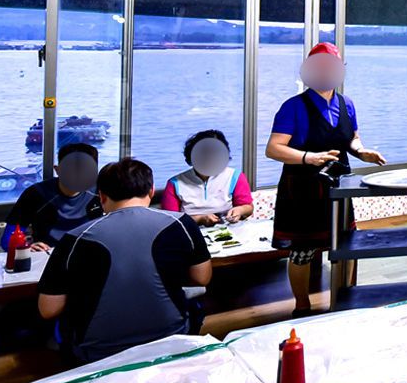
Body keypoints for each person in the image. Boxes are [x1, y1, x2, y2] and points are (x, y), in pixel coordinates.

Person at [37, 157, 212, 363]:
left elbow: (48, 309)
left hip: (97, 352)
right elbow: (202, 278)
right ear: (151, 191)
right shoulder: (181, 223)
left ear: (101, 196)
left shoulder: (75, 238)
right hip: (172, 336)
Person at [265, 42, 386, 314]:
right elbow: (273, 148)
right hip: (302, 190)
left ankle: (346, 299)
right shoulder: (293, 107)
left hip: (339, 187)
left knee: (346, 245)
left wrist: (361, 152)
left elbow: (352, 139)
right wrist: (309, 157)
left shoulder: (347, 104)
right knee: (302, 252)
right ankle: (302, 306)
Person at [6, 141, 103, 252]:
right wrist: (27, 246)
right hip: (47, 254)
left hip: (89, 252)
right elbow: (7, 240)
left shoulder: (101, 191)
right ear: (58, 170)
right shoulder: (36, 194)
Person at [158, 129, 255, 225]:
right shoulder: (175, 183)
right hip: (191, 230)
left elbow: (248, 208)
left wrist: (240, 210)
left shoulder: (235, 176)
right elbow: (170, 220)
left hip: (228, 229)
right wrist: (199, 219)